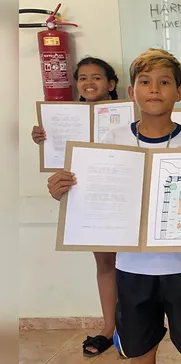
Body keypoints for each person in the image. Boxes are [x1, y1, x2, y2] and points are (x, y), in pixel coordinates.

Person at [47, 48, 181, 364]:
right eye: (145, 82)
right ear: (132, 92)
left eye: (164, 82)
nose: (155, 89)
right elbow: (94, 192)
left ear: (179, 92)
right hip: (132, 268)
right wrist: (62, 190)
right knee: (139, 351)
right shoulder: (112, 139)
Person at [33, 56, 120, 357]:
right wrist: (45, 139)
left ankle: (136, 326)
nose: (89, 83)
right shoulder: (64, 117)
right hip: (88, 197)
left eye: (97, 77)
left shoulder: (131, 115)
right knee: (105, 263)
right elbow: (58, 158)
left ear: (111, 84)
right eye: (82, 78)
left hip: (122, 192)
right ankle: (110, 327)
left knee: (134, 265)